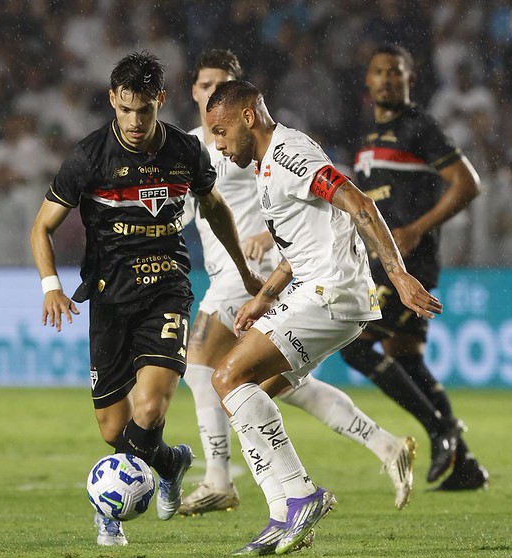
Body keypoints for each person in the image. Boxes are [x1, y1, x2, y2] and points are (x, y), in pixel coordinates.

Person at [30, 52, 263, 547]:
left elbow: (215, 207)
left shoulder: (184, 150)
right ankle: (171, 462)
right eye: (125, 109)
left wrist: (244, 271)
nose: (135, 122)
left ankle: (109, 509)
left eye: (144, 110)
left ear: (160, 99)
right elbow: (41, 227)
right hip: (109, 299)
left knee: (151, 408)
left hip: (166, 290)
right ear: (112, 100)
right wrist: (51, 286)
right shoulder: (90, 156)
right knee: (113, 429)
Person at [180, 49, 418, 524]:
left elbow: (358, 204)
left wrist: (397, 273)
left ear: (247, 115)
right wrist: (265, 296)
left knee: (218, 376)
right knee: (254, 393)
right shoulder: (264, 162)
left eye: (222, 131)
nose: (218, 144)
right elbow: (304, 238)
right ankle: (357, 462)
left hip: (325, 292)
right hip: (313, 289)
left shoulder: (289, 155)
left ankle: (265, 492)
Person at [341, 44, 488, 490]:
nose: (387, 78)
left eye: (396, 71)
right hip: (381, 262)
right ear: (367, 81)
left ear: (411, 79)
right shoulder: (367, 135)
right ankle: (465, 465)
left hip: (410, 263)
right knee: (404, 355)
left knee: (355, 346)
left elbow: (468, 184)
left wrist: (416, 230)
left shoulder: (419, 126)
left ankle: (440, 430)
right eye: (379, 71)